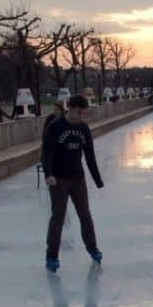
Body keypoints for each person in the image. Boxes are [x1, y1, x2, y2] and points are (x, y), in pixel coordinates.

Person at [41, 94, 104, 273]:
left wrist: (97, 179)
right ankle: (52, 256)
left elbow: (90, 155)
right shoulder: (55, 127)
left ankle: (93, 248)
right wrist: (49, 174)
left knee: (85, 215)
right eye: (78, 112)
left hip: (78, 178)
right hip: (59, 180)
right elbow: (47, 153)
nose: (81, 116)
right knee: (58, 218)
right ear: (69, 108)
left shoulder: (83, 128)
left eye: (84, 113)